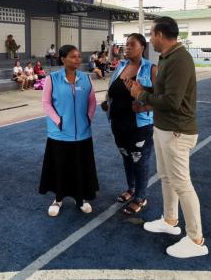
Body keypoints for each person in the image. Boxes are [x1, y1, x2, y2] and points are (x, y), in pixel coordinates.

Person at [129, 16, 208, 258]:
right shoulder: (167, 58)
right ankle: (170, 220)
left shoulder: (180, 59)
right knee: (166, 178)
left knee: (182, 183)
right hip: (165, 128)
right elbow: (163, 92)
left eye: (151, 34)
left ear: (161, 35)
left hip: (177, 130)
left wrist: (142, 96)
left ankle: (195, 239)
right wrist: (144, 90)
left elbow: (172, 102)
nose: (150, 39)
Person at [39, 45, 98, 216]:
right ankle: (58, 199)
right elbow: (46, 103)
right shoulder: (52, 79)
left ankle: (80, 199)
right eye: (73, 57)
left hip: (82, 133)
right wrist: (58, 121)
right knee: (60, 167)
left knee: (79, 167)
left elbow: (92, 101)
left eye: (79, 56)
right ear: (63, 59)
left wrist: (89, 117)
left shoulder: (86, 79)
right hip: (60, 134)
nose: (78, 60)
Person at [101, 33, 156, 214]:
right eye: (126, 44)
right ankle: (131, 189)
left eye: (132, 44)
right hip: (118, 123)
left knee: (139, 159)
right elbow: (113, 90)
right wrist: (107, 102)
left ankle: (141, 197)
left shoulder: (151, 69)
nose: (127, 47)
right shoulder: (121, 66)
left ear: (142, 47)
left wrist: (144, 106)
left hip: (140, 126)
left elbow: (160, 99)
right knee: (126, 156)